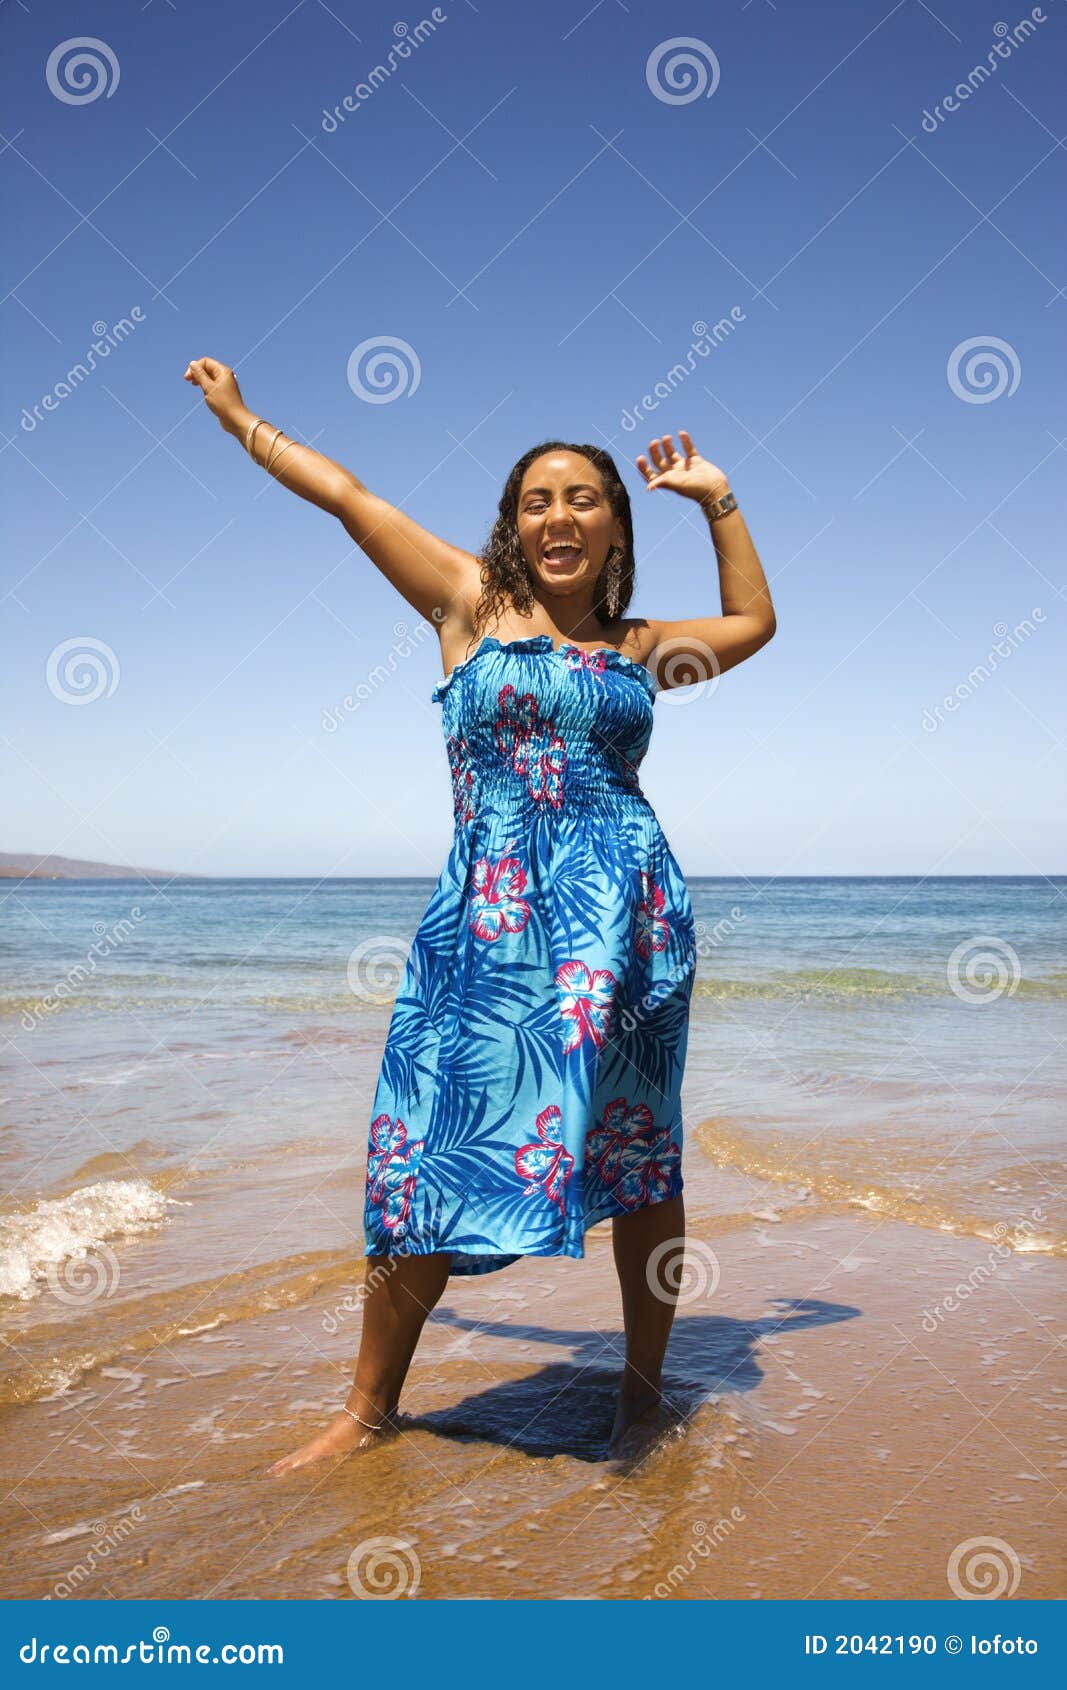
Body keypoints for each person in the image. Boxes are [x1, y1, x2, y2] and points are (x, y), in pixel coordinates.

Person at [183, 357, 777, 1474]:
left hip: (629, 924)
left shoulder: (639, 651)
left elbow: (754, 618)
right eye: (536, 499)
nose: (558, 515)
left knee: (640, 1156)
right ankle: (365, 1411)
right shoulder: (467, 604)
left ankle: (637, 1404)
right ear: (512, 523)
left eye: (582, 497)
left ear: (612, 527)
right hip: (488, 928)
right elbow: (349, 496)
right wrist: (242, 421)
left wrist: (718, 497)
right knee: (421, 1160)